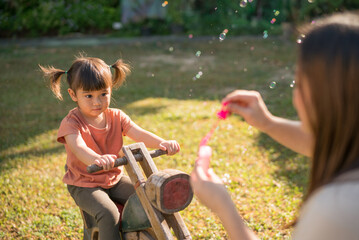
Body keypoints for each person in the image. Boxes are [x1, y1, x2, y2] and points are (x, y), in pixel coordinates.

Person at [191, 12, 359, 240]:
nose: (295, 95)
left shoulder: (336, 211)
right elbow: (325, 142)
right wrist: (267, 123)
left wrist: (223, 207)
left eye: (299, 82)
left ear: (325, 97)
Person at [40, 55, 180, 240]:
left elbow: (138, 133)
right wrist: (96, 159)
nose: (97, 102)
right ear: (73, 95)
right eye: (88, 96)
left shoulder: (116, 116)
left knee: (150, 198)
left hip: (113, 178)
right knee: (109, 213)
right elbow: (79, 147)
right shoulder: (72, 123)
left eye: (103, 94)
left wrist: (161, 142)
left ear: (110, 90)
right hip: (84, 183)